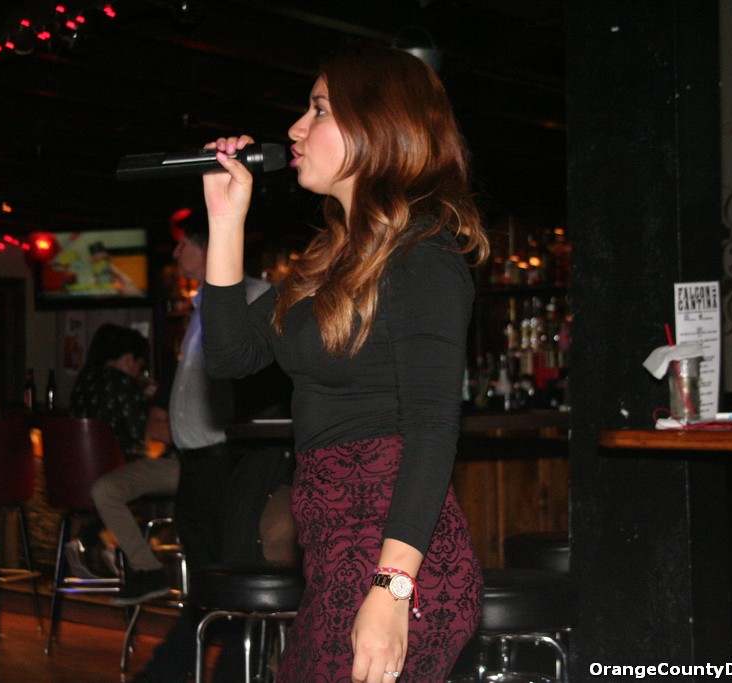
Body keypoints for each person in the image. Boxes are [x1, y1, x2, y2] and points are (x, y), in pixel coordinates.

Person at [199, 43, 488, 682]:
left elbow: (433, 429)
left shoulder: (424, 256)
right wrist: (226, 221)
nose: (296, 128)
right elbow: (229, 355)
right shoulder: (329, 262)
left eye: (319, 109)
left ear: (375, 126)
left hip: (398, 561)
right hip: (334, 551)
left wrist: (391, 591)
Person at [130, 209, 271, 683]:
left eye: (183, 244)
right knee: (209, 580)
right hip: (197, 462)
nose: (174, 253)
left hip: (229, 463)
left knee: (223, 578)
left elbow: (259, 384)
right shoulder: (205, 303)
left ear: (210, 246)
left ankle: (187, 672)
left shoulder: (252, 297)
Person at [67, 322, 178, 604]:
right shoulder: (123, 385)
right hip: (116, 472)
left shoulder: (82, 383)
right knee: (160, 474)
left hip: (77, 477)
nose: (140, 372)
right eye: (140, 365)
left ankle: (101, 540)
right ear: (129, 359)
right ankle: (132, 552)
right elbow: (143, 433)